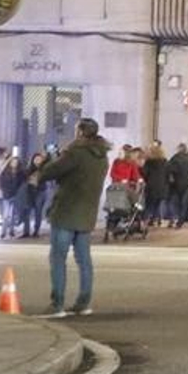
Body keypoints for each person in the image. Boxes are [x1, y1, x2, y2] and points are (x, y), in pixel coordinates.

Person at [36, 118, 111, 317]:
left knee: (58, 258)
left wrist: (49, 160)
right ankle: (83, 302)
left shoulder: (75, 152)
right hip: (87, 213)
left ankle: (57, 303)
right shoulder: (102, 156)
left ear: (80, 132)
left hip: (67, 211)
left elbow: (50, 172)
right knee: (84, 260)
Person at [168, 143, 188, 227]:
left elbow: (170, 170)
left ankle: (174, 219)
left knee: (175, 203)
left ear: (179, 150)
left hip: (176, 185)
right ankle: (181, 220)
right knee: (185, 204)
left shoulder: (175, 158)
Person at [0, 153, 26, 238]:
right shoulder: (5, 172)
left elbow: (22, 183)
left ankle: (11, 231)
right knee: (6, 215)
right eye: (13, 162)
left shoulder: (20, 173)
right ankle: (3, 231)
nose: (14, 164)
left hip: (15, 195)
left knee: (12, 214)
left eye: (16, 162)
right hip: (6, 195)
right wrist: (4, 190)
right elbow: (1, 182)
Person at [141, 144, 169, 227]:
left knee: (149, 205)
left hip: (151, 187)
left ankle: (146, 220)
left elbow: (145, 174)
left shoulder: (149, 162)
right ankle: (156, 219)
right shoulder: (165, 162)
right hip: (162, 187)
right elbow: (168, 174)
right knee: (158, 204)